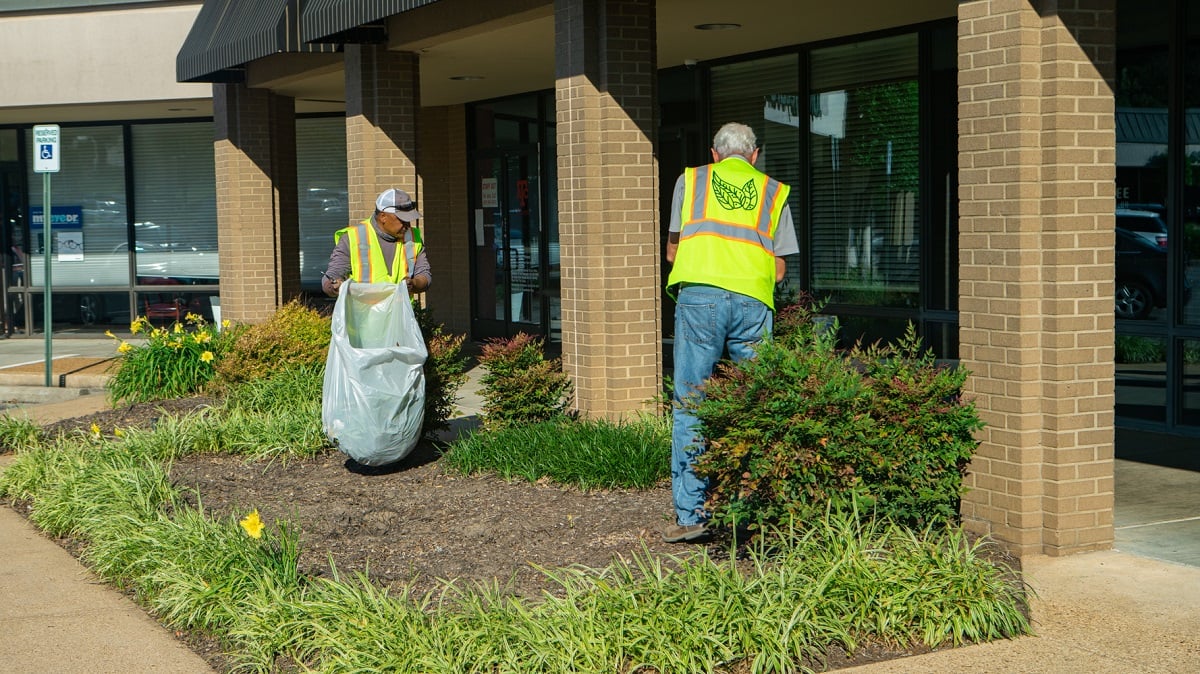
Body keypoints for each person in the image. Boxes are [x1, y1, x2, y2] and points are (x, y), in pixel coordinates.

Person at [662, 122, 800, 543]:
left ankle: (693, 516)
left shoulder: (691, 180)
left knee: (691, 403)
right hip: (753, 304)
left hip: (700, 299)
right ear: (755, 156)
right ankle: (760, 506)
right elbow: (779, 270)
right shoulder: (774, 192)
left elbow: (673, 250)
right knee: (759, 402)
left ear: (715, 154)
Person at [322, 188, 432, 297]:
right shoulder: (352, 237)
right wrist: (333, 287)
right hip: (364, 313)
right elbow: (333, 275)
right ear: (383, 217)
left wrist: (414, 284)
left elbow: (425, 276)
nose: (407, 225)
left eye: (409, 220)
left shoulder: (413, 238)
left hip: (400, 313)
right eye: (402, 220)